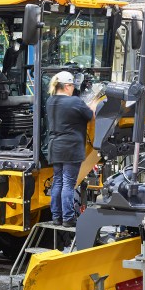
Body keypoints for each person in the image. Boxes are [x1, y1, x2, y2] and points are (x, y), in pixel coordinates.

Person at [46, 71, 98, 227]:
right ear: (67, 86)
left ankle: (56, 217)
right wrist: (94, 104)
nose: (74, 89)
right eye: (72, 86)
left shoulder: (50, 101)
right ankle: (68, 218)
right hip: (71, 148)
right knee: (68, 183)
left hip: (55, 147)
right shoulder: (75, 101)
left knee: (58, 182)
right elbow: (90, 115)